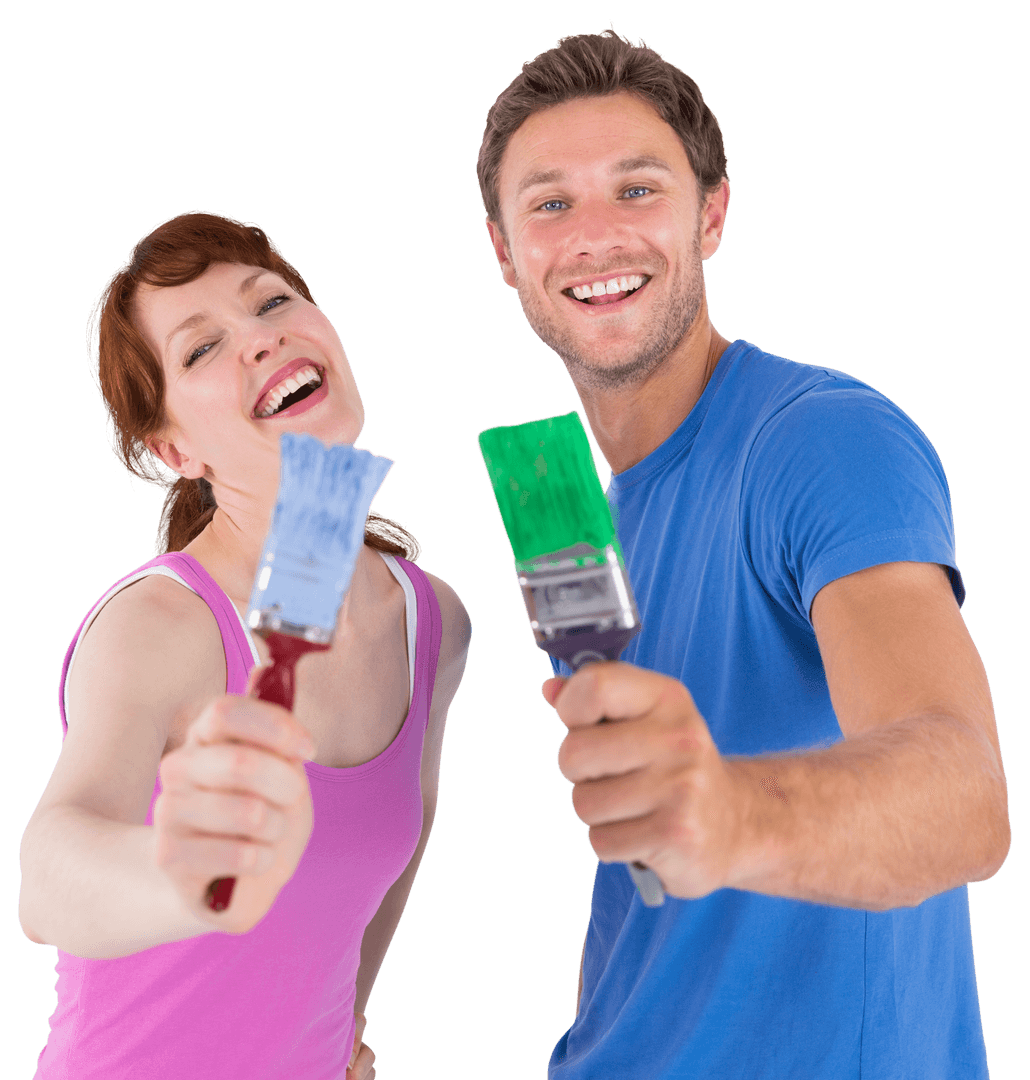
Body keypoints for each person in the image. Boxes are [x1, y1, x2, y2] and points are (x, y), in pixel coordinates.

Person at [476, 29, 1010, 1079]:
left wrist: (727, 814)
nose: (594, 235)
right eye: (550, 203)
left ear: (711, 214)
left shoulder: (820, 441)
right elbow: (650, 890)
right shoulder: (586, 512)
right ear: (504, 252)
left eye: (637, 190)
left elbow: (964, 798)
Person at [18, 210, 471, 1080]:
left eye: (272, 303)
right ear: (173, 448)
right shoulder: (160, 625)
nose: (261, 338)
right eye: (201, 348)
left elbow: (403, 837)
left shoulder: (432, 622)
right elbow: (49, 876)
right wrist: (185, 878)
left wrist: (348, 1022)